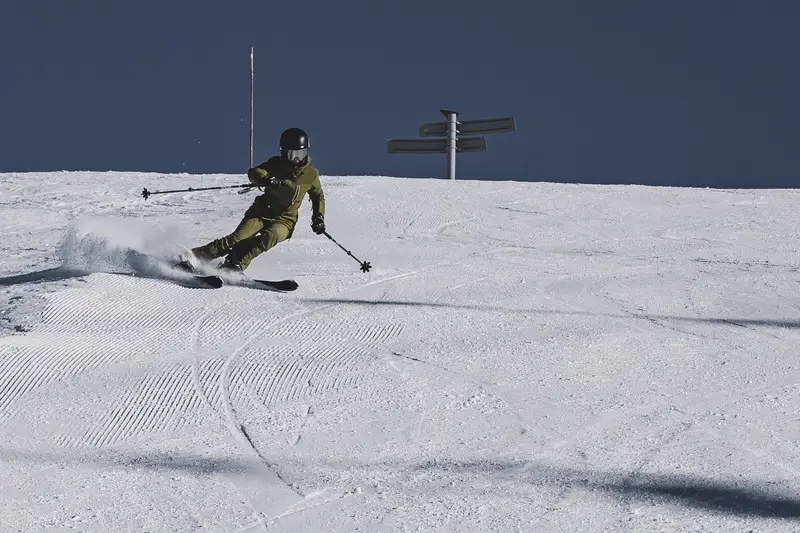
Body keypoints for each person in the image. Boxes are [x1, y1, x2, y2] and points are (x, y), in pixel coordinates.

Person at [176, 127, 326, 273]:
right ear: (284, 153)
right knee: (237, 238)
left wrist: (318, 217)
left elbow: (318, 195)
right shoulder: (276, 164)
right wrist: (263, 179)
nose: (298, 159)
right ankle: (193, 258)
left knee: (270, 237)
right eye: (293, 154)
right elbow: (255, 172)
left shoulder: (311, 174)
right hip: (262, 212)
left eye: (301, 153)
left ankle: (236, 262)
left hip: (285, 219)